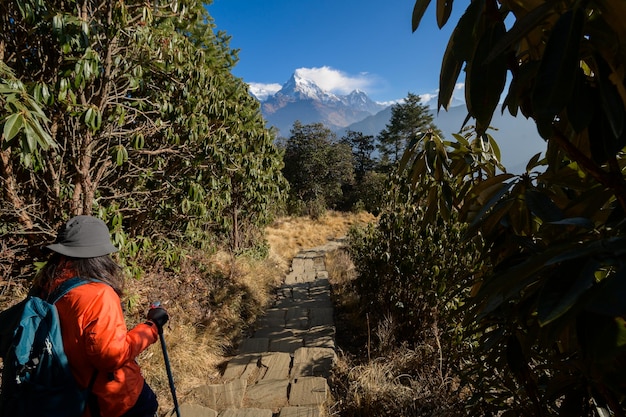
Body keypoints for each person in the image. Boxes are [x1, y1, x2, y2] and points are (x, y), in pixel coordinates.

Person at [30, 215, 169, 417]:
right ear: (99, 256)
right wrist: (152, 327)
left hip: (71, 395)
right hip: (112, 400)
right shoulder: (99, 294)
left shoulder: (45, 286)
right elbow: (110, 357)